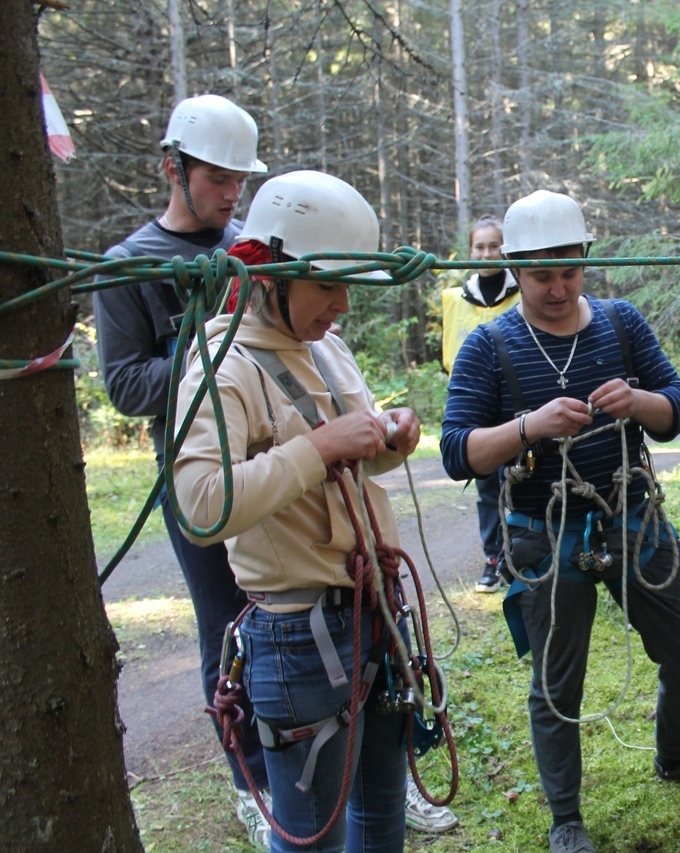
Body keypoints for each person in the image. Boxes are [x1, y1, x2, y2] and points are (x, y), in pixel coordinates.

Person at [441, 190, 680, 853]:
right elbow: (456, 453)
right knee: (557, 684)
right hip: (541, 531)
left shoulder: (621, 324)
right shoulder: (488, 347)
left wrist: (639, 401)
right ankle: (566, 819)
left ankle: (674, 756)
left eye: (569, 272)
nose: (557, 288)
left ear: (585, 261)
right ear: (516, 271)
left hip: (631, 513)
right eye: (541, 275)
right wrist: (529, 426)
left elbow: (679, 409)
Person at [171, 170, 456, 852]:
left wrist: (390, 441)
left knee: (382, 818)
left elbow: (350, 465)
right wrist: (319, 445)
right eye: (329, 284)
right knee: (311, 840)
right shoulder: (223, 362)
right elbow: (202, 507)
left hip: (375, 615)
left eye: (348, 285)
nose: (343, 304)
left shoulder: (327, 347)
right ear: (272, 271)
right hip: (297, 638)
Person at [92, 93, 274, 847]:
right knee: (226, 626)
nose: (234, 194)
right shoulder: (129, 265)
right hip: (197, 470)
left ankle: (314, 763)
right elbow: (127, 386)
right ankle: (251, 781)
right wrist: (208, 332)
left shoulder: (255, 244)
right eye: (219, 177)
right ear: (174, 168)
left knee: (294, 612)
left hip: (271, 452)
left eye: (241, 179)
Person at [439, 214, 521, 593]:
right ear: (470, 250)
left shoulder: (522, 292)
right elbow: (450, 355)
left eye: (494, 245)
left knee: (522, 477)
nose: (487, 253)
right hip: (476, 402)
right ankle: (493, 557)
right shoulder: (455, 299)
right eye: (480, 246)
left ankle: (522, 552)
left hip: (520, 400)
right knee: (487, 484)